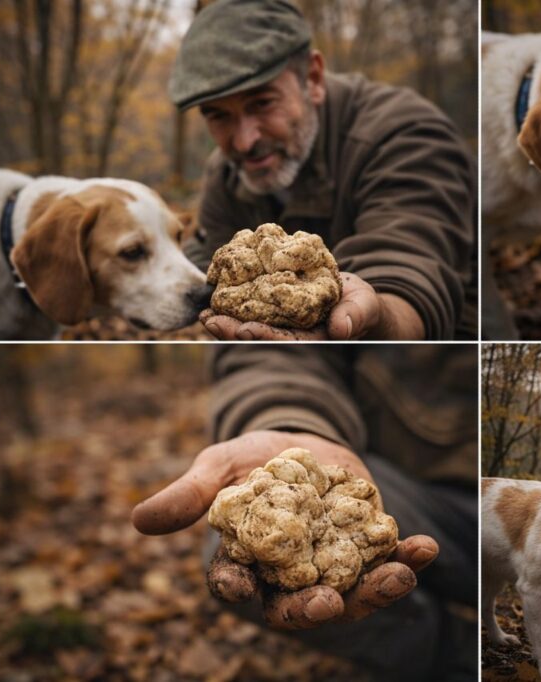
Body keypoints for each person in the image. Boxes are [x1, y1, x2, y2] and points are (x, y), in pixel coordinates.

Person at [131, 346, 478, 680]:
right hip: (413, 486)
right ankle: (457, 655)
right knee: (230, 559)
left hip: (490, 504)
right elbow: (270, 353)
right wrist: (289, 421)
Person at [168, 0, 477, 341]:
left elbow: (409, 270)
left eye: (263, 103)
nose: (243, 142)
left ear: (313, 79)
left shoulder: (406, 135)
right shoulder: (226, 172)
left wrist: (374, 316)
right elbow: (208, 262)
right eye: (218, 115)